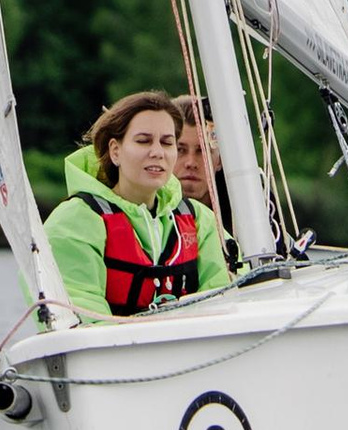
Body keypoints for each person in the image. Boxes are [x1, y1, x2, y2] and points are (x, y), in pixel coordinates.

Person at [43, 90, 233, 323]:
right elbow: (79, 316)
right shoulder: (73, 222)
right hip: (113, 355)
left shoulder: (199, 221)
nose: (157, 153)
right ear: (116, 151)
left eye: (167, 142)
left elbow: (228, 298)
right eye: (143, 141)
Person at [168, 92, 238, 266]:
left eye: (202, 151)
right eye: (180, 150)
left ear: (221, 160)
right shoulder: (143, 213)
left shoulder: (245, 213)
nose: (191, 162)